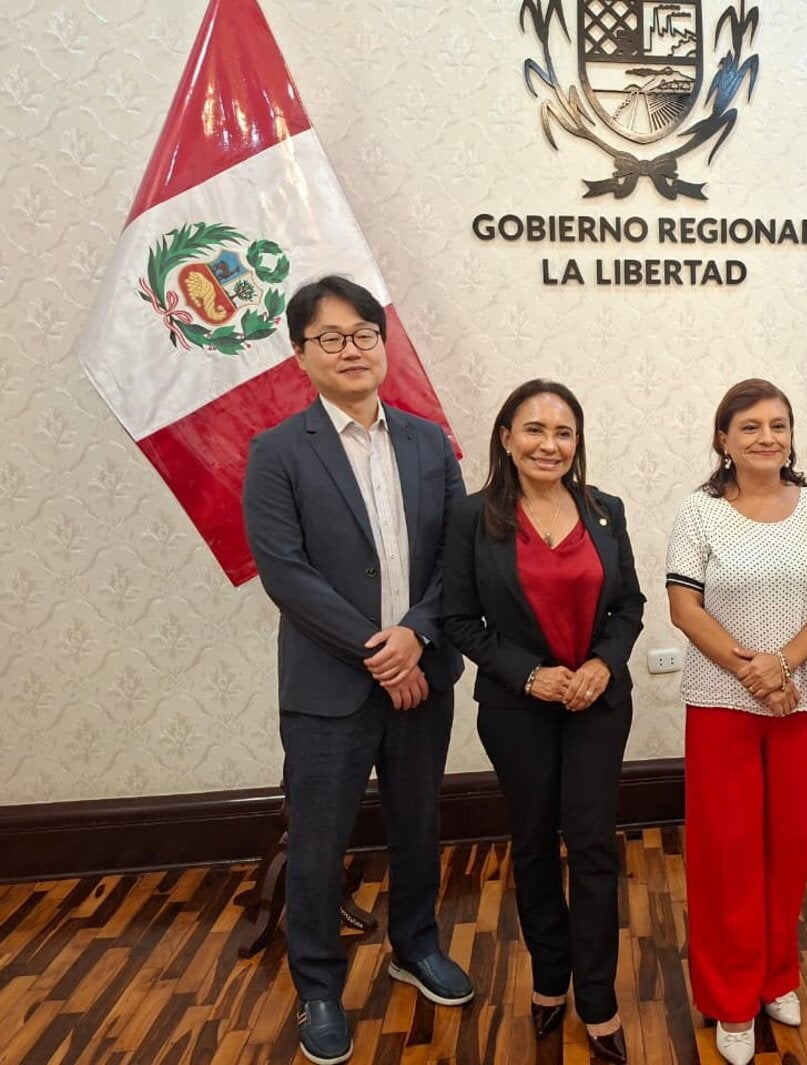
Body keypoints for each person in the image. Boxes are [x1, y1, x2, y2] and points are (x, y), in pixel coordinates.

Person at [242, 275, 473, 1065]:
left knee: (418, 825)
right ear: (301, 353)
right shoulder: (276, 453)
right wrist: (382, 650)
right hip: (329, 689)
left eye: (364, 333)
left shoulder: (428, 441)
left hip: (424, 673)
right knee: (317, 843)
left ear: (384, 343)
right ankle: (317, 984)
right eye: (331, 338)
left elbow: (455, 555)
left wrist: (416, 634)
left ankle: (416, 944)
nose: (352, 349)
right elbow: (286, 573)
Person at [441, 380, 644, 1063]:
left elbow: (630, 606)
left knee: (590, 845)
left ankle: (597, 995)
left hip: (597, 705)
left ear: (577, 442)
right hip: (517, 709)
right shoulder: (473, 517)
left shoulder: (605, 511)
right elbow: (458, 619)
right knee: (532, 843)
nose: (549, 443)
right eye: (533, 429)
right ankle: (549, 979)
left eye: (563, 432)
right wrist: (530, 673)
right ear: (506, 438)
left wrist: (602, 665)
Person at [666, 379, 807, 1065]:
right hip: (723, 704)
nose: (767, 437)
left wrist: (785, 664)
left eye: (778, 424)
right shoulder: (701, 512)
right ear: (724, 438)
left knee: (786, 846)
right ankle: (730, 997)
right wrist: (754, 671)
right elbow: (684, 607)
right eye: (750, 426)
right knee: (728, 854)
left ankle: (777, 976)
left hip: (799, 701)